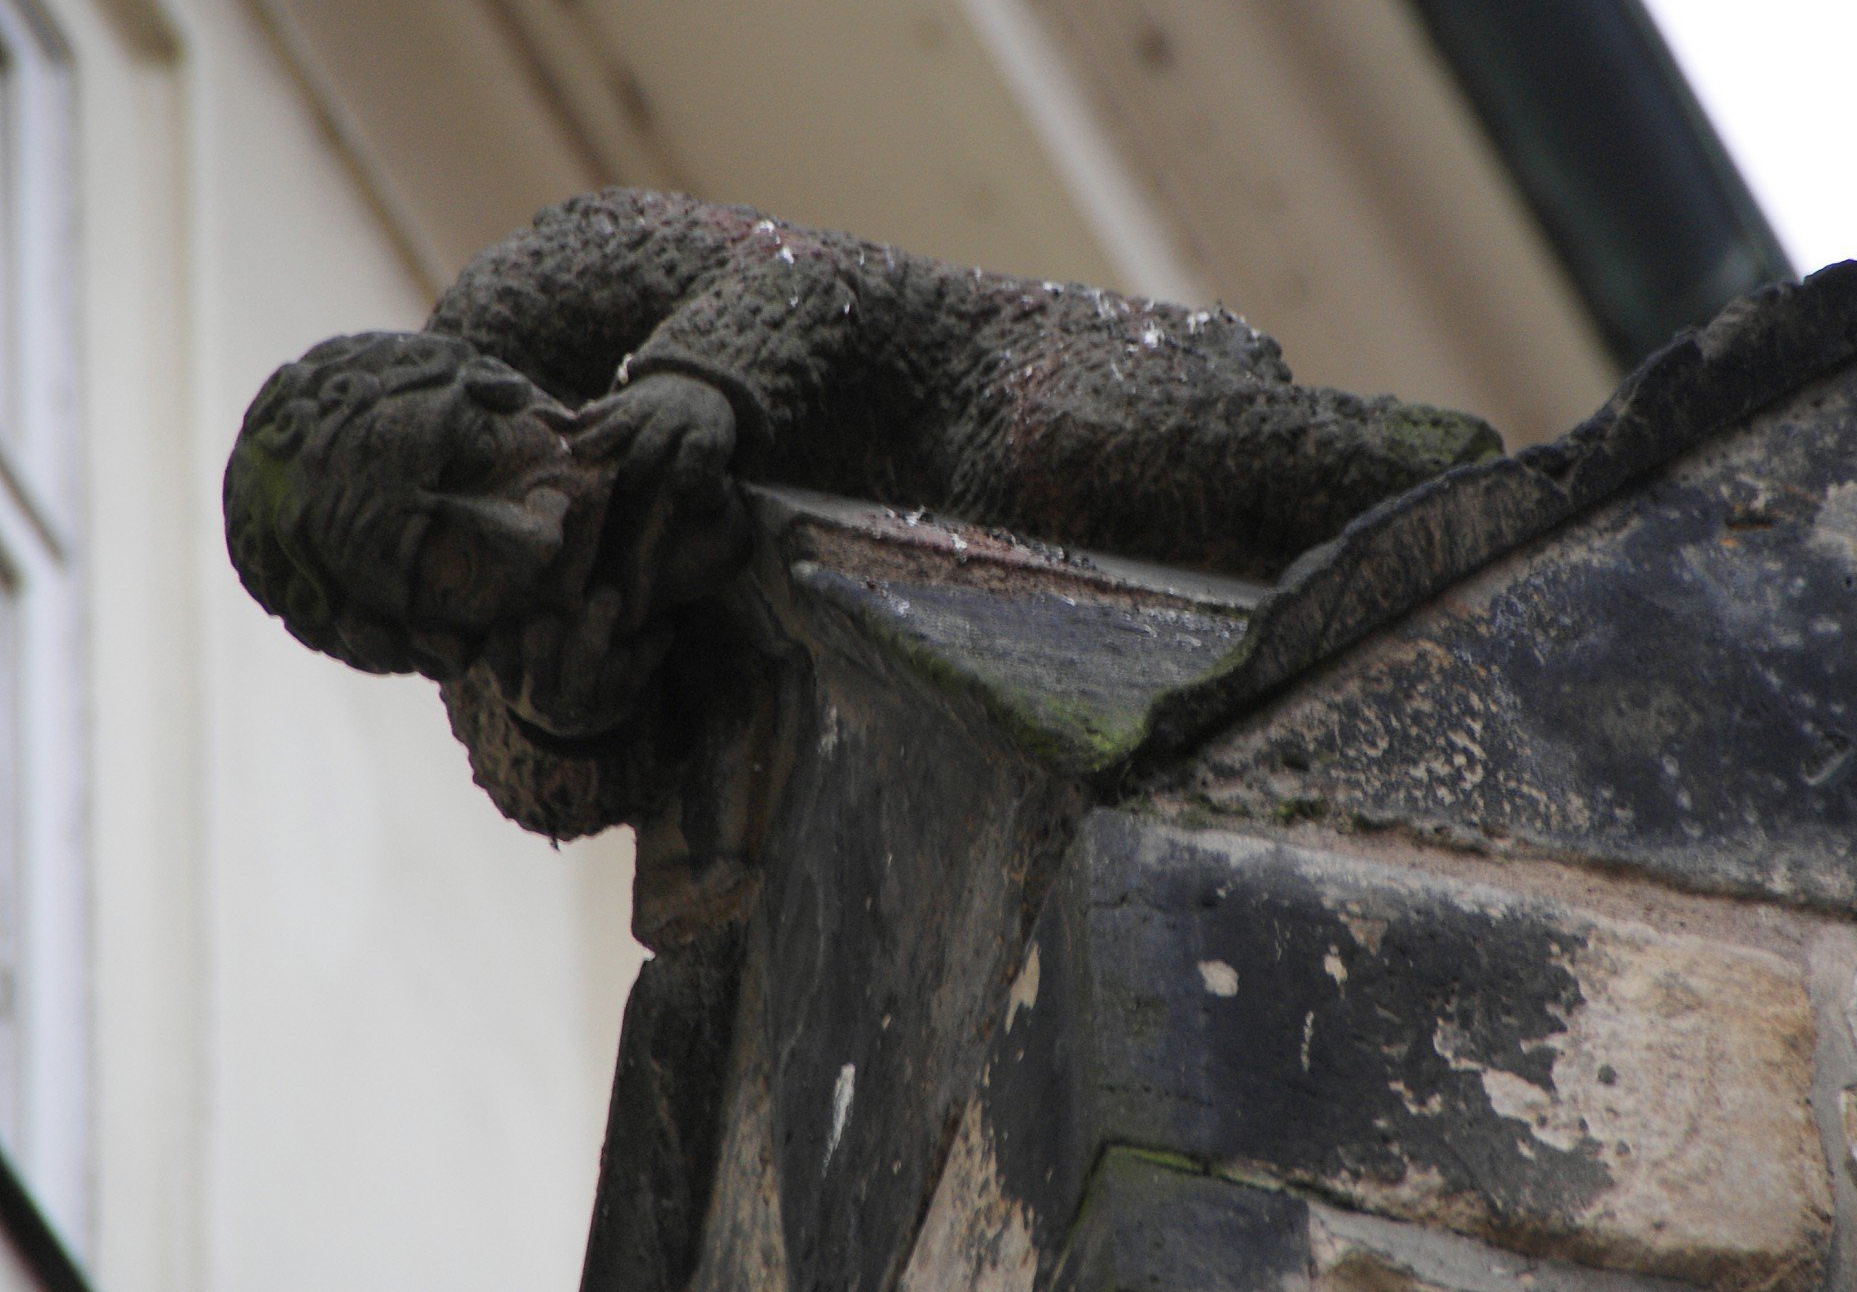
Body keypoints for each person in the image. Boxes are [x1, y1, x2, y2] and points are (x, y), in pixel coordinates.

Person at [224, 189, 1499, 830]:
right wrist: (574, 724)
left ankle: (1449, 492)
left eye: (472, 445)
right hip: (920, 626)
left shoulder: (527, 293)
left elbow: (814, 272)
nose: (510, 526)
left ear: (484, 376)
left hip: (977, 402)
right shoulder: (506, 656)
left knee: (1092, 448)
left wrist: (695, 375)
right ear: (417, 637)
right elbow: (538, 785)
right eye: (441, 564)